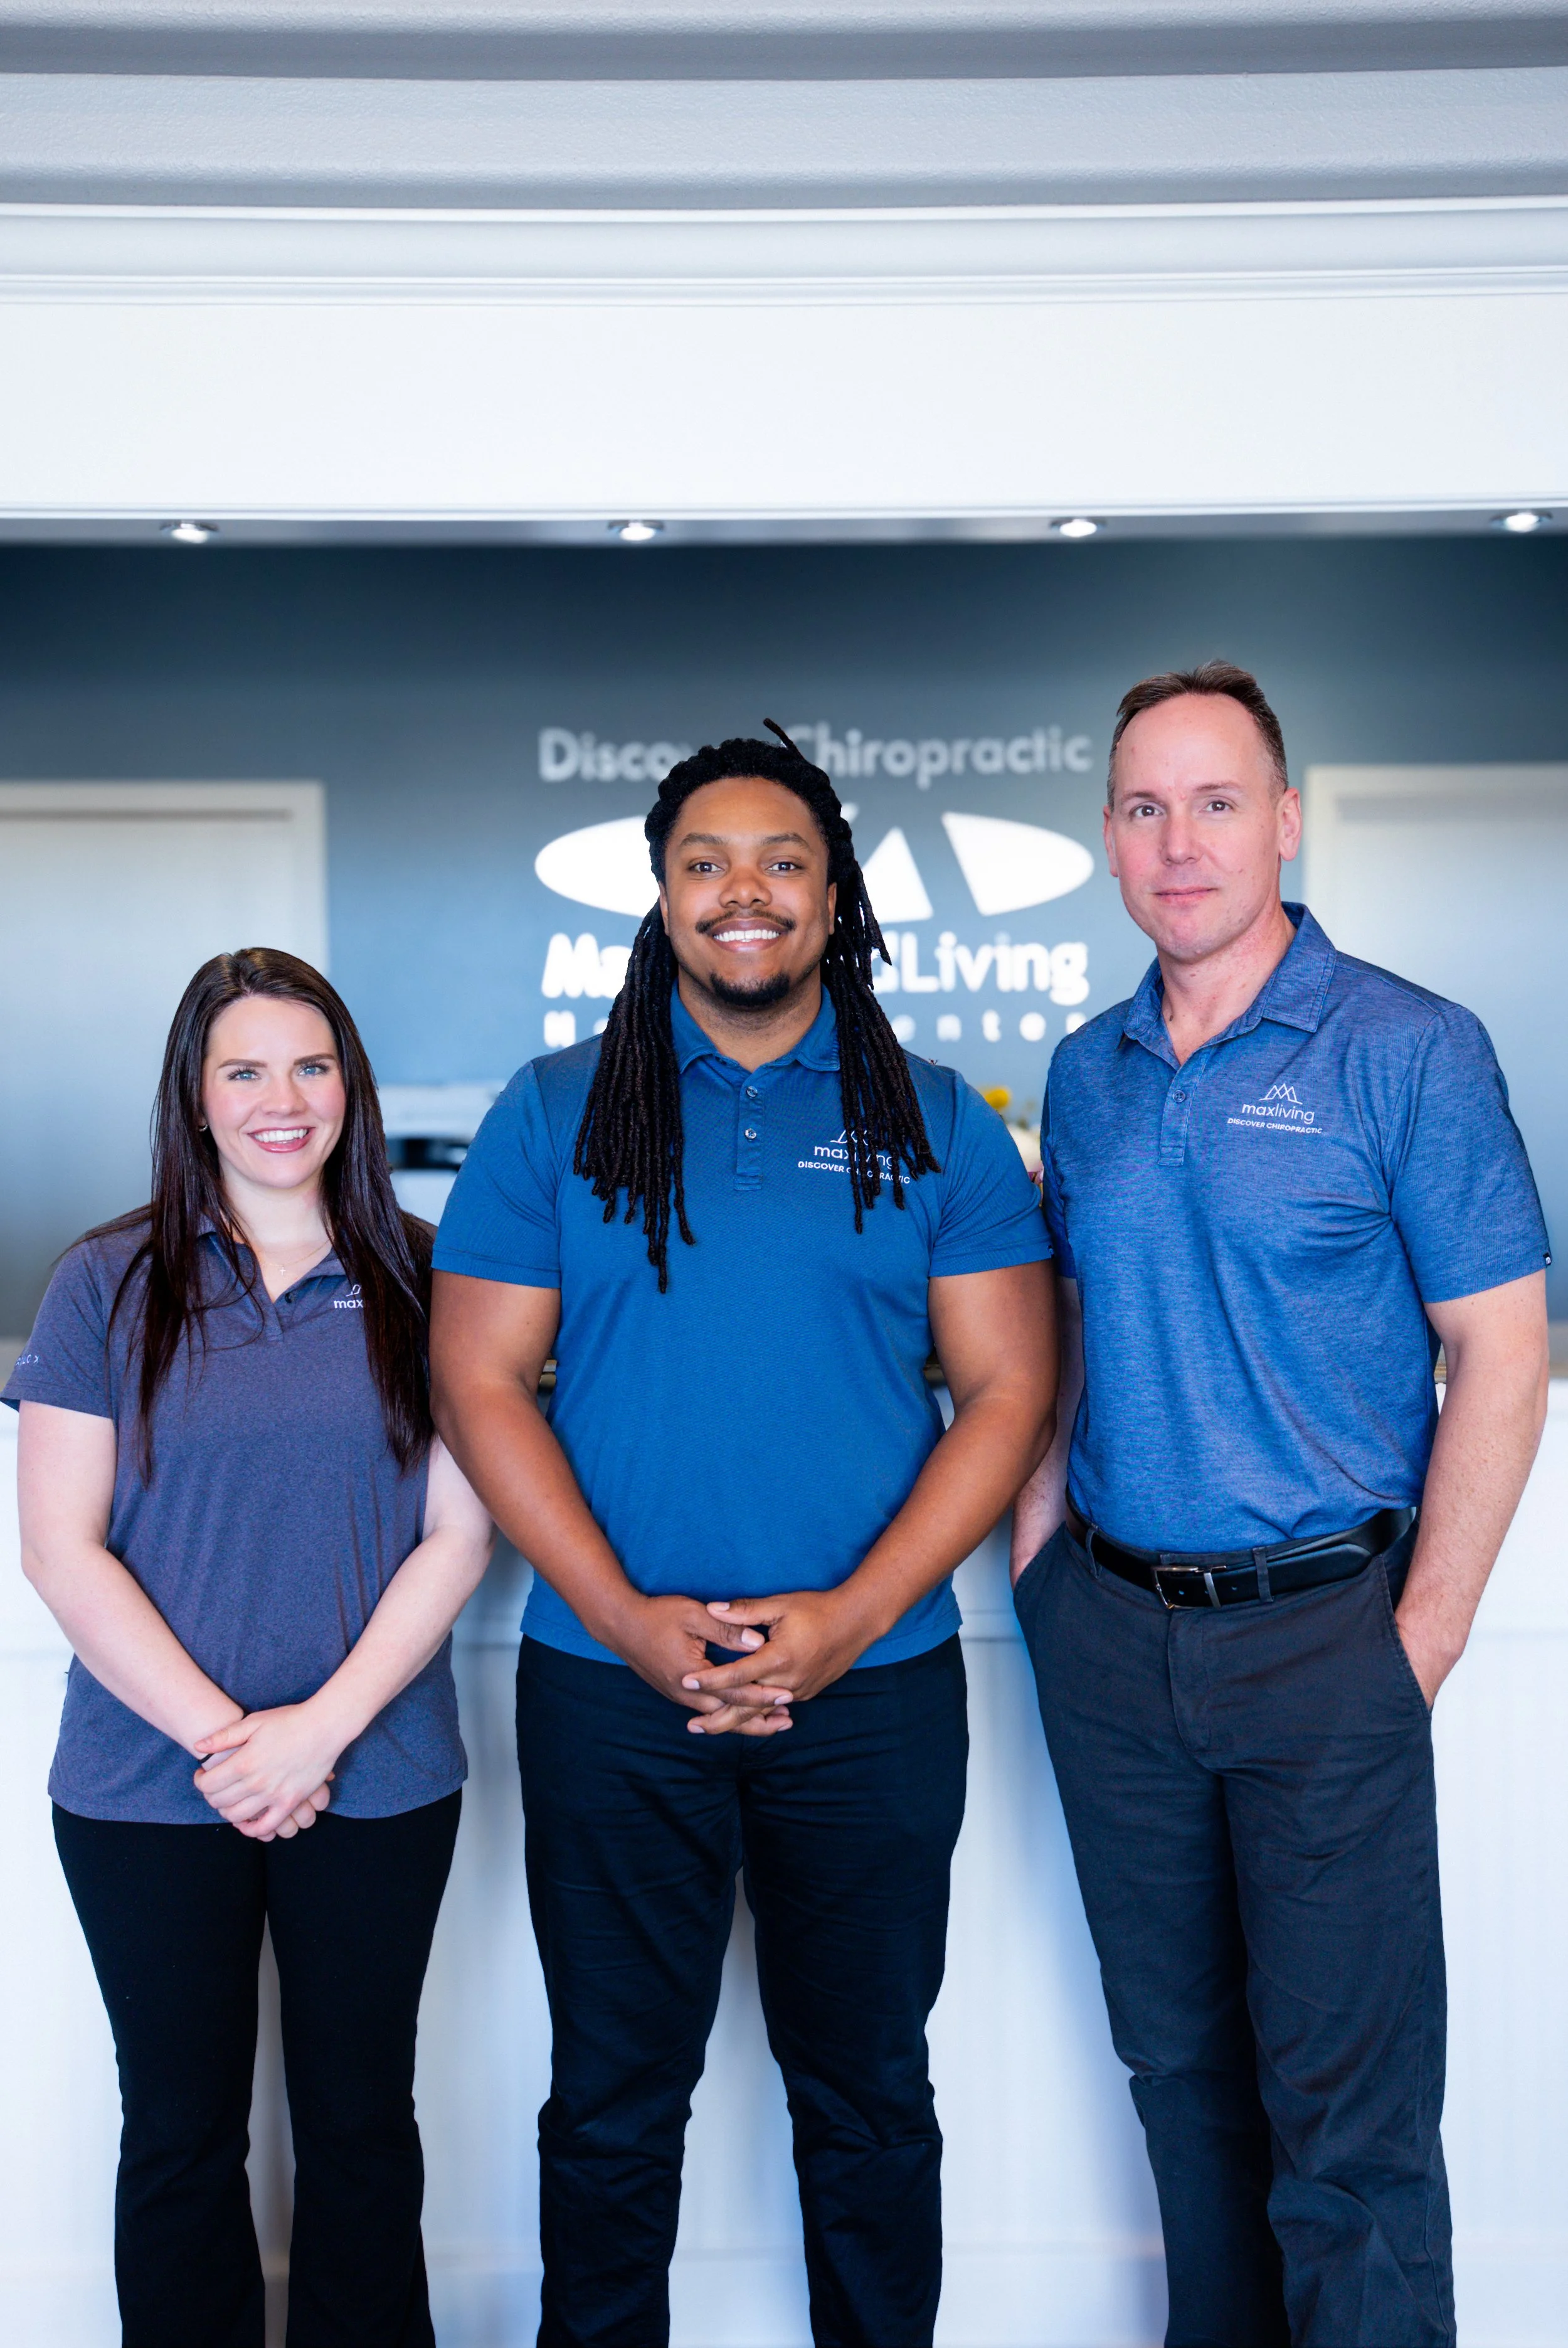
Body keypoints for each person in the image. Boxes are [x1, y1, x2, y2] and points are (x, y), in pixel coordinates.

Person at [430, 726, 1056, 2348]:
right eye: (704, 860)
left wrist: (848, 1616)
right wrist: (631, 1619)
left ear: (835, 890)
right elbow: (481, 1381)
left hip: (875, 1693)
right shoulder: (556, 1108)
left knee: (866, 2100)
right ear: (658, 892)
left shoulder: (934, 1121)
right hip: (605, 1687)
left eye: (782, 857)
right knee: (612, 2104)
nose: (743, 891)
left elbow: (1004, 1387)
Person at [1010, 662, 1550, 2348]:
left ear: (1284, 818)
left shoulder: (1408, 1047)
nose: (1180, 841)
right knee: (1180, 2081)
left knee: (1347, 2123)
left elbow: (1501, 1349)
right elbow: (1066, 1328)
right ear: (1107, 836)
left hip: (1325, 1638)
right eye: (1144, 806)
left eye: (1216, 800)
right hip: (1110, 1635)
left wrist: (1422, 1633)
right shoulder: (1085, 1069)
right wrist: (1040, 1561)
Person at [7, 948, 494, 2348]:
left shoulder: (427, 1274)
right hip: (148, 1786)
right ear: (195, 1095)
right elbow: (61, 1547)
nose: (283, 1099)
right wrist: (237, 1742)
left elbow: (455, 1536)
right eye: (245, 1069)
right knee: (176, 2127)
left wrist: (316, 1731)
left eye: (311, 1064)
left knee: (358, 2123)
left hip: (378, 1772)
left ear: (348, 1083)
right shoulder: (101, 1282)